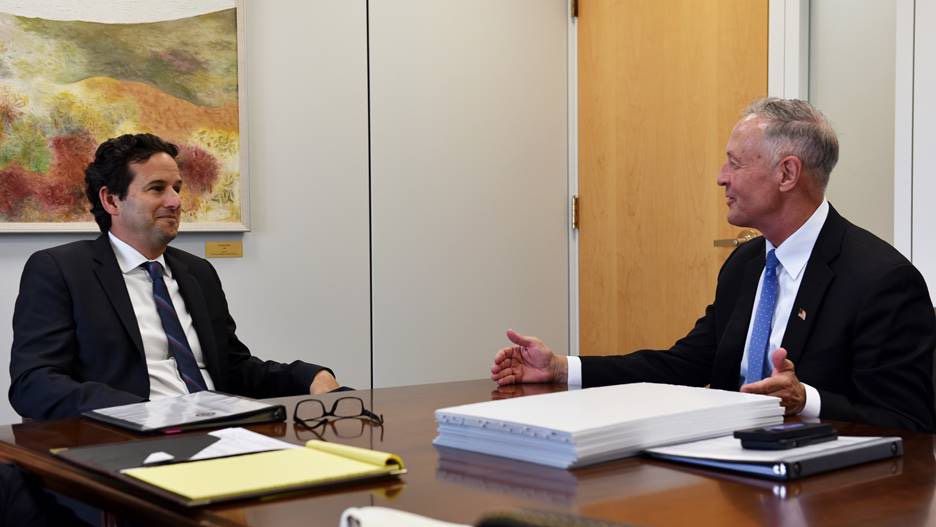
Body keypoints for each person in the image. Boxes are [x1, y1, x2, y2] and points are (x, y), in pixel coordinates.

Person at [491, 98, 936, 432]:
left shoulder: (882, 280)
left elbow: (908, 419)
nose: (721, 176)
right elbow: (684, 365)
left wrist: (807, 401)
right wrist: (561, 369)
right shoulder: (746, 264)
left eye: (735, 163)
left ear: (787, 174)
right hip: (728, 477)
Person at [9, 133, 340, 420]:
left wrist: (306, 376)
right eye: (157, 189)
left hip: (224, 430)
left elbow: (234, 367)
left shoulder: (197, 272)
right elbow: (34, 383)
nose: (175, 201)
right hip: (132, 444)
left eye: (177, 188)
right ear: (111, 200)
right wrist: (145, 414)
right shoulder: (61, 270)